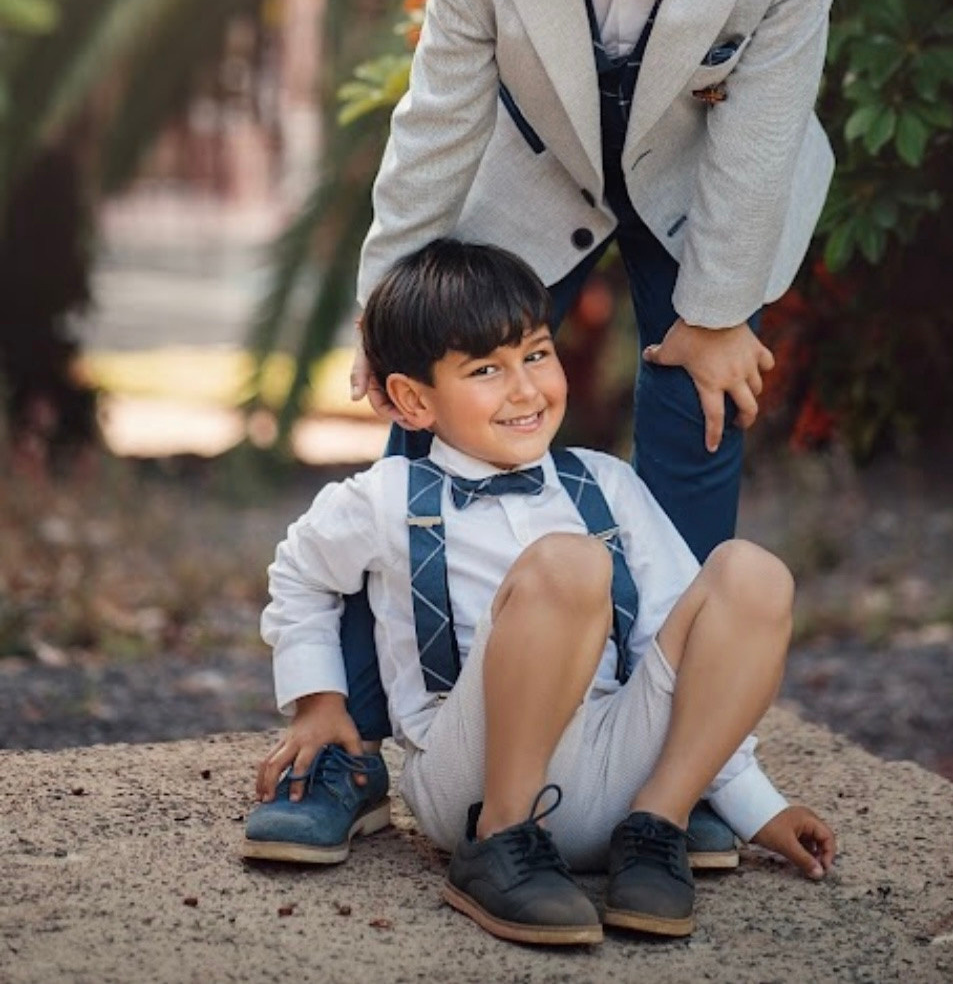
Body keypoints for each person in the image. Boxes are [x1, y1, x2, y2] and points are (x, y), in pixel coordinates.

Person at [349, 0, 840, 563]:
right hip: (542, 169)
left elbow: (764, 122)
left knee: (698, 400)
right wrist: (386, 319)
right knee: (432, 381)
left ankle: (670, 683)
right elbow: (438, 123)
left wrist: (716, 316)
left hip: (707, 181)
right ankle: (381, 675)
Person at [245, 240, 836, 947]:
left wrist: (750, 802)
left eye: (534, 354)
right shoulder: (384, 500)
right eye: (486, 370)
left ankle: (659, 827)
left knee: (751, 573)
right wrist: (317, 703)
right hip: (474, 782)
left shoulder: (603, 484)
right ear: (411, 399)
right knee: (569, 565)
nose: (524, 389)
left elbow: (679, 646)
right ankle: (500, 845)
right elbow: (300, 575)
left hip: (619, 780)